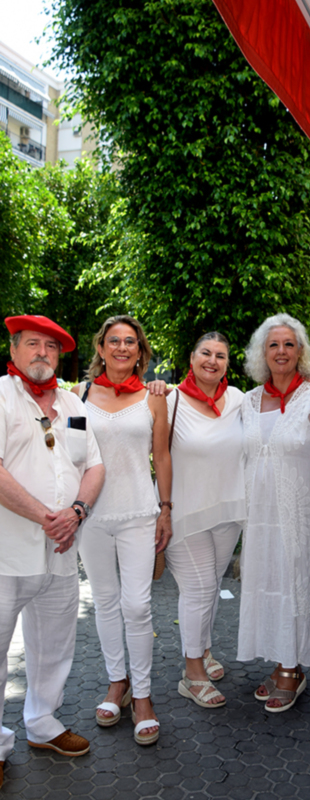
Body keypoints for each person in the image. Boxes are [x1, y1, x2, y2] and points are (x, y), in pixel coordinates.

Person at [0, 315, 105, 787]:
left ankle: (42, 722)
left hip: (62, 549)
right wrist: (47, 515)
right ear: (15, 347)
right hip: (8, 550)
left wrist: (77, 511)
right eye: (33, 344)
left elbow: (94, 466)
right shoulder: (1, 396)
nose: (42, 353)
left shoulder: (71, 402)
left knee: (54, 646)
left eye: (51, 347)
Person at [73, 315, 172, 746]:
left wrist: (166, 509)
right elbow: (71, 454)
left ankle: (144, 696)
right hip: (91, 517)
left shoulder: (153, 397)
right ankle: (118, 682)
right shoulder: (77, 396)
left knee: (137, 605)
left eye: (130, 342)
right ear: (100, 348)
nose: (121, 348)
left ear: (140, 351)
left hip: (138, 514)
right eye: (113, 341)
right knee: (106, 603)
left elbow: (163, 458)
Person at [237, 313, 310, 712]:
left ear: (301, 352)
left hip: (299, 518)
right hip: (258, 519)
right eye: (273, 345)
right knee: (265, 584)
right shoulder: (247, 401)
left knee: (294, 586)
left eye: (289, 344)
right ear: (262, 354)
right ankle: (281, 660)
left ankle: (291, 669)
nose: (281, 351)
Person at [164, 332, 245, 707]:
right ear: (191, 357)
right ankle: (192, 673)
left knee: (211, 585)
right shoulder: (168, 400)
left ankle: (205, 650)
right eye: (206, 353)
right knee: (197, 590)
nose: (213, 360)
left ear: (229, 363)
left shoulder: (241, 401)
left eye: (221, 355)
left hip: (228, 512)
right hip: (184, 512)